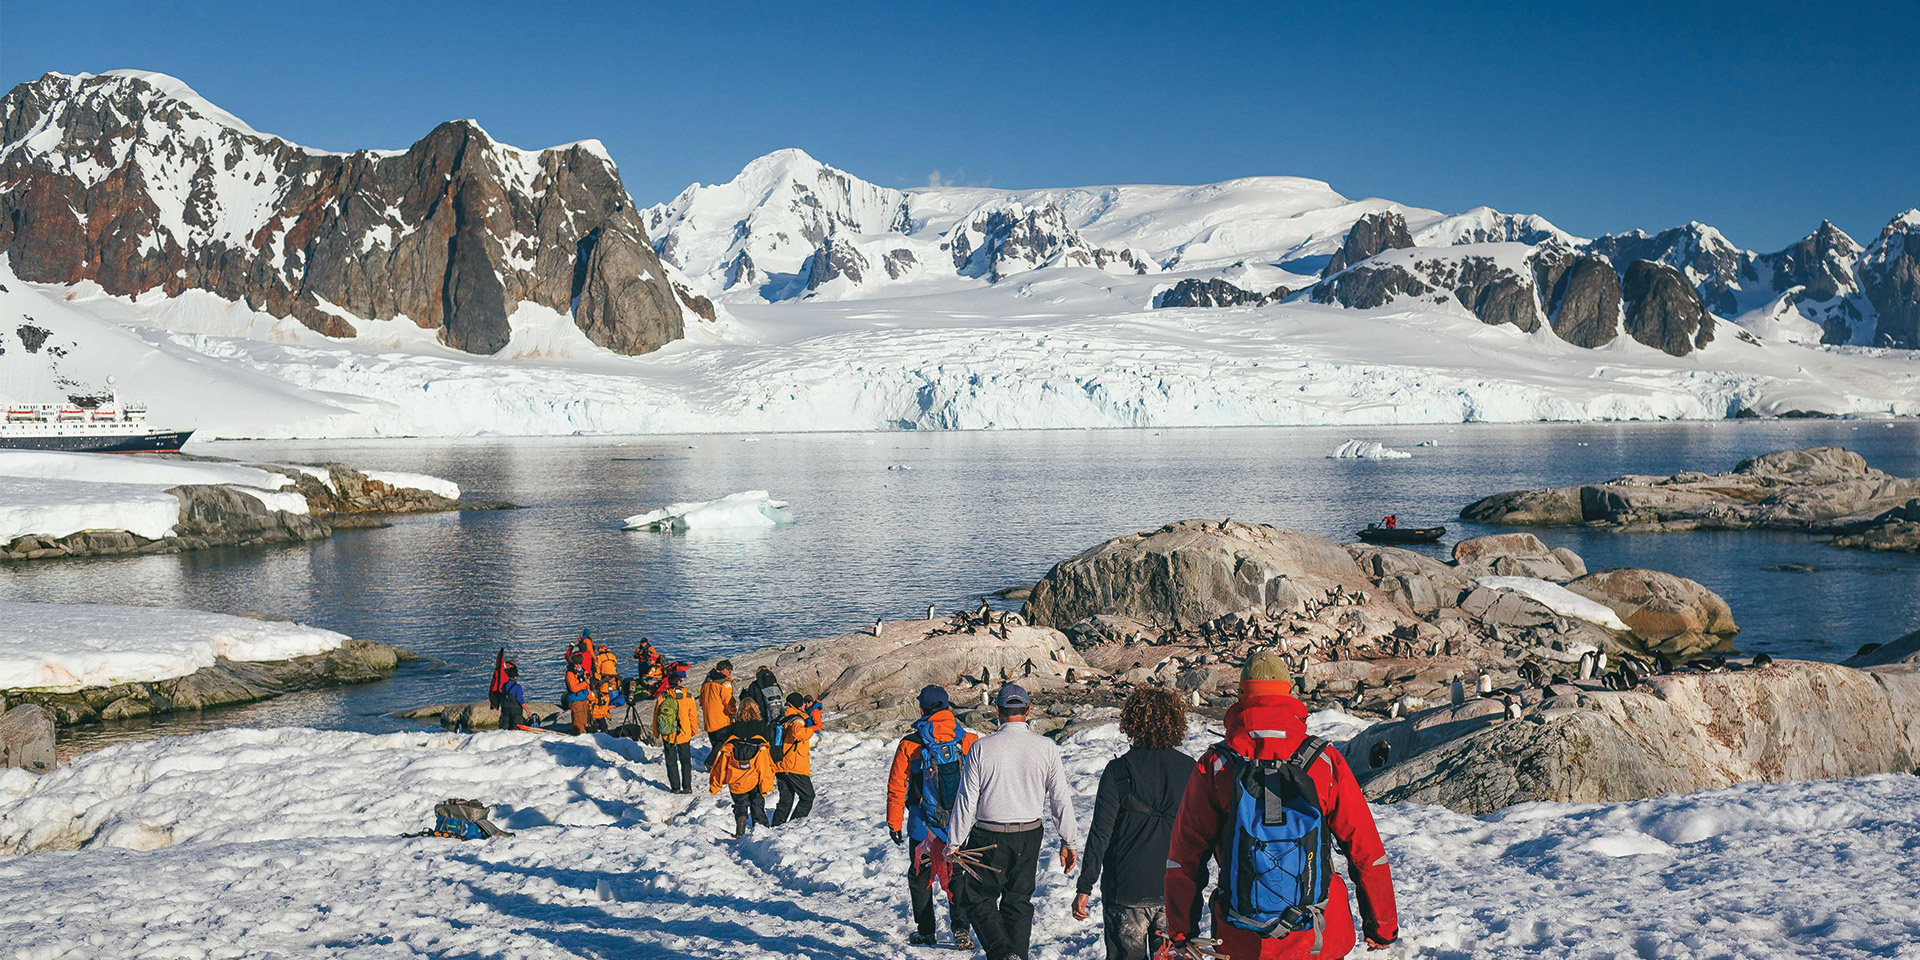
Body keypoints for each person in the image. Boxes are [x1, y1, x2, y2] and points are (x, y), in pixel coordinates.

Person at [1162, 651, 1399, 959]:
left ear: (1241, 695)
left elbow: (1185, 857)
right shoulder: (1323, 760)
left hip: (1243, 937)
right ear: (1289, 692)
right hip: (1320, 933)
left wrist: (1182, 930)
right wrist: (1382, 926)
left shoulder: (1217, 764)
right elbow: (1365, 850)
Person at [946, 683, 1081, 960]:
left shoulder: (982, 747)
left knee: (978, 898)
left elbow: (966, 799)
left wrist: (955, 842)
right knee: (1018, 902)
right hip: (1029, 834)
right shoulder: (1046, 747)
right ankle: (1016, 955)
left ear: (997, 711)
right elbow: (1060, 798)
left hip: (987, 834)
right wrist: (1068, 840)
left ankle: (1003, 952)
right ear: (1028, 710)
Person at [1069, 687, 1192, 960]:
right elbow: (1202, 833)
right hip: (1174, 890)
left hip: (1126, 889)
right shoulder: (1190, 769)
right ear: (1175, 722)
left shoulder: (1118, 771)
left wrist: (1085, 886)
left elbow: (1100, 834)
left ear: (1132, 722)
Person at [886, 684, 981, 949]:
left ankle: (927, 931)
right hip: (959, 825)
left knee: (920, 877)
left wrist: (894, 822)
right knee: (958, 875)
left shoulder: (910, 744)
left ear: (922, 709)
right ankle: (961, 929)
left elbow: (897, 787)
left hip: (922, 825)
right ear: (949, 707)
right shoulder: (968, 740)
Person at [710, 697, 775, 838]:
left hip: (736, 773)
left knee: (741, 803)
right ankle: (762, 832)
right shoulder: (763, 727)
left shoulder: (732, 729)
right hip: (756, 772)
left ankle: (740, 829)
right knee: (757, 803)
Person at [770, 691, 821, 826]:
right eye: (802, 703)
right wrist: (810, 730)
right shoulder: (797, 719)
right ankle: (793, 825)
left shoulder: (782, 717)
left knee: (786, 800)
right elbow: (798, 734)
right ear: (798, 704)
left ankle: (777, 826)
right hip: (794, 766)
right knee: (808, 797)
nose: (804, 705)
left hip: (780, 765)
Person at [655, 667, 699, 794]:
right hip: (684, 733)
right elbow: (693, 715)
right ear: (679, 682)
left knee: (671, 761)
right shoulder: (688, 696)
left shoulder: (662, 696)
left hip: (668, 733)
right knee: (685, 760)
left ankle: (675, 787)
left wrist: (656, 732)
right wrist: (693, 730)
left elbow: (656, 715)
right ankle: (687, 787)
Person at [701, 660, 738, 764]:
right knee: (723, 744)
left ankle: (715, 764)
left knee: (715, 744)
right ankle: (711, 763)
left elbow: (701, 700)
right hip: (722, 719)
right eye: (729, 671)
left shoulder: (706, 682)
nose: (730, 673)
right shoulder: (724, 683)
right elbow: (728, 701)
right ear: (724, 670)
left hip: (708, 719)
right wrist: (733, 712)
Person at [562, 651, 593, 735]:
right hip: (575, 701)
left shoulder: (583, 673)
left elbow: (587, 688)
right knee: (578, 722)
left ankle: (583, 735)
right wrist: (585, 683)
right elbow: (573, 688)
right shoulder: (570, 674)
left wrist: (591, 699)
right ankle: (578, 736)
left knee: (585, 720)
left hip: (584, 699)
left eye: (579, 663)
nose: (578, 666)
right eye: (576, 664)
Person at [496, 660, 529, 732]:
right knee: (515, 728)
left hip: (505, 709)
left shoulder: (504, 685)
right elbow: (520, 700)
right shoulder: (518, 687)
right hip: (515, 711)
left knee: (504, 727)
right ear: (516, 677)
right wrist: (528, 711)